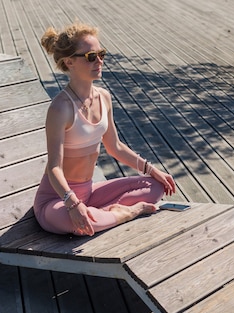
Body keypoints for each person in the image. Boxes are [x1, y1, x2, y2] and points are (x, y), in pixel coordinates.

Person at [33, 22, 176, 236]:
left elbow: (115, 147)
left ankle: (105, 214)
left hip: (90, 192)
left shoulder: (104, 98)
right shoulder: (60, 108)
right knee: (75, 224)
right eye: (91, 56)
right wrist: (72, 203)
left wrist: (153, 171)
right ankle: (128, 213)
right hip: (57, 199)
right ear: (69, 62)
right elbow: (54, 168)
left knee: (155, 188)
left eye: (102, 53)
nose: (99, 61)